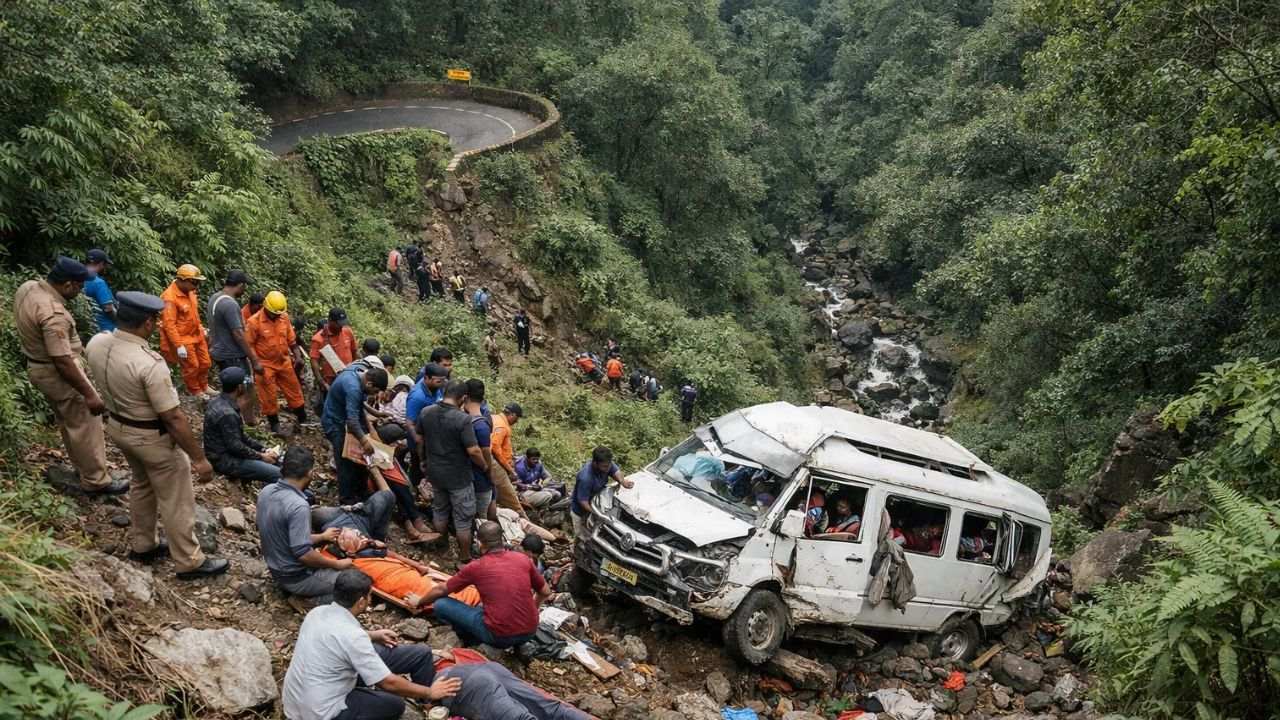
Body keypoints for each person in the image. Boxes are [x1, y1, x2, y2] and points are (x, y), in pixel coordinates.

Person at [86, 292, 227, 579]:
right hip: (151, 437)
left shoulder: (98, 343)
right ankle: (189, 561)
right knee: (176, 498)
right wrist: (199, 459)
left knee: (141, 484)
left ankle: (144, 544)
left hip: (118, 427)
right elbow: (173, 416)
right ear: (148, 322)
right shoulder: (149, 363)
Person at [281, 569, 462, 720]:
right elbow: (388, 683)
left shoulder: (318, 613)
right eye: (369, 596)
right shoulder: (353, 637)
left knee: (421, 653)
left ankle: (428, 707)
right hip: (321, 713)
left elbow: (337, 637)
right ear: (361, 602)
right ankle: (428, 699)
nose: (370, 600)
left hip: (299, 699)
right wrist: (430, 691)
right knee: (394, 705)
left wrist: (373, 635)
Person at [16, 257, 125, 495]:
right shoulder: (53, 313)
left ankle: (83, 468)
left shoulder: (29, 288)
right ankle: (97, 480)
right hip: (58, 374)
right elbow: (62, 360)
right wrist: (89, 393)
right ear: (67, 285)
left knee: (70, 424)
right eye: (78, 286)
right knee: (86, 424)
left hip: (39, 368)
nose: (80, 291)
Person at [413, 521, 551, 649]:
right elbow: (545, 591)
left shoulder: (477, 567)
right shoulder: (523, 559)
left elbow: (441, 590)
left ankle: (469, 638)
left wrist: (419, 601)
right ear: (501, 539)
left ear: (480, 543)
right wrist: (532, 610)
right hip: (530, 630)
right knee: (482, 607)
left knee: (441, 604)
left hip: (499, 637)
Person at [257, 446, 354, 601]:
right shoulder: (298, 505)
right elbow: (303, 555)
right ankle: (308, 601)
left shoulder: (267, 491)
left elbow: (286, 536)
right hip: (295, 577)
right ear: (310, 473)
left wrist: (322, 536)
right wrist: (336, 565)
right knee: (355, 584)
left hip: (276, 568)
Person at [323, 528, 479, 611]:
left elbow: (394, 555)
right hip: (397, 581)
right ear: (347, 551)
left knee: (445, 586)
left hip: (408, 573)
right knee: (434, 591)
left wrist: (417, 566)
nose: (356, 535)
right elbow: (324, 557)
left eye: (355, 532)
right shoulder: (353, 562)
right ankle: (471, 603)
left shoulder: (374, 548)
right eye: (344, 539)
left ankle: (475, 599)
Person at [416, 380, 485, 564]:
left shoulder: (426, 412)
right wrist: (484, 466)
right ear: (463, 398)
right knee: (463, 519)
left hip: (435, 472)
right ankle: (464, 557)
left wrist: (423, 461)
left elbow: (420, 440)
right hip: (459, 476)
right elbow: (474, 450)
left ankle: (442, 544)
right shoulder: (463, 419)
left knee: (440, 510)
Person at [323, 364, 390, 504]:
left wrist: (374, 414)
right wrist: (365, 441)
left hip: (344, 418)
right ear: (369, 383)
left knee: (360, 459)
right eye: (374, 391)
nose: (373, 395)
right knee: (345, 462)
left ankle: (361, 492)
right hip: (335, 422)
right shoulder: (353, 386)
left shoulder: (358, 372)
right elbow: (352, 421)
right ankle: (346, 499)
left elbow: (358, 403)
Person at [245, 291, 308, 437]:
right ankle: (275, 425)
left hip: (284, 361)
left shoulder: (283, 318)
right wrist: (256, 363)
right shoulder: (254, 322)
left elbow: (292, 341)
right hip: (265, 364)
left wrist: (298, 356)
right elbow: (249, 345)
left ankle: (302, 418)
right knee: (268, 396)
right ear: (266, 307)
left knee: (294, 390)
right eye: (275, 313)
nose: (277, 315)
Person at [204, 367, 280, 484]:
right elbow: (235, 446)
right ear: (239, 387)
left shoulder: (217, 401)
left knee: (275, 462)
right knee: (278, 474)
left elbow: (240, 436)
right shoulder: (227, 413)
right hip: (226, 461)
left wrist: (263, 449)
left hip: (226, 455)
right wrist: (262, 456)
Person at [208, 270, 261, 424]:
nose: (244, 291)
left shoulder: (215, 298)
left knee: (230, 391)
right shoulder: (230, 304)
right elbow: (238, 334)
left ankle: (238, 421)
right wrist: (254, 359)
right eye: (244, 286)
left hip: (220, 352)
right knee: (246, 390)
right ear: (240, 285)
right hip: (233, 355)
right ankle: (243, 423)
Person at [159, 264, 214, 398]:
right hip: (183, 338)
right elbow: (169, 324)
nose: (196, 286)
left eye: (198, 282)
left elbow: (194, 314)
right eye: (194, 282)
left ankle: (204, 385)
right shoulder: (170, 298)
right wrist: (178, 346)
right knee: (192, 366)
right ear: (182, 280)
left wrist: (201, 328)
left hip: (196, 334)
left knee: (206, 362)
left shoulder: (190, 292)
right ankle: (195, 390)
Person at [571, 447, 632, 538]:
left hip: (596, 502)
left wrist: (622, 481)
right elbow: (583, 502)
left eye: (609, 465)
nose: (608, 469)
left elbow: (615, 471)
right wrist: (597, 513)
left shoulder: (606, 464)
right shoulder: (586, 478)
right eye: (605, 466)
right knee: (582, 537)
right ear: (595, 463)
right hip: (581, 510)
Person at [310, 307, 359, 412]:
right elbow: (314, 360)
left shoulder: (347, 332)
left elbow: (355, 351)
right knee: (331, 407)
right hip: (331, 381)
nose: (341, 326)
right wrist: (320, 381)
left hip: (349, 377)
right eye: (338, 323)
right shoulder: (319, 339)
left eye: (343, 323)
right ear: (330, 321)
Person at [464, 379, 496, 522]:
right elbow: (485, 453)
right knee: (480, 518)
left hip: (463, 477)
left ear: (465, 396)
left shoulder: (462, 419)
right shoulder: (481, 425)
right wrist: (488, 470)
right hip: (479, 479)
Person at [488, 402, 526, 517]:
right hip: (496, 464)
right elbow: (494, 447)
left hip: (493, 462)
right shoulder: (502, 426)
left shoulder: (494, 418)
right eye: (517, 418)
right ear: (513, 415)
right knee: (511, 499)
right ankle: (524, 520)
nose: (516, 421)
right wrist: (510, 469)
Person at [82, 248, 116, 333]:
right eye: (105, 264)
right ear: (101, 263)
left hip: (89, 326)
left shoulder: (77, 277)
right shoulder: (98, 283)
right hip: (105, 329)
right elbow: (108, 308)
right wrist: (121, 323)